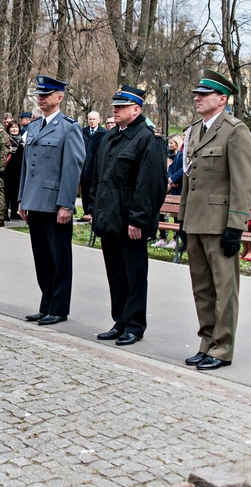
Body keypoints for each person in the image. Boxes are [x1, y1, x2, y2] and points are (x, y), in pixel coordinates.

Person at [179, 69, 251, 371]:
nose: (197, 98)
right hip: (196, 222)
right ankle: (206, 341)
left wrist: (236, 227)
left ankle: (222, 348)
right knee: (202, 287)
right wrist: (183, 222)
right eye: (197, 94)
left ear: (221, 99)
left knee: (224, 289)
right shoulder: (196, 129)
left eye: (204, 94)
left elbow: (243, 182)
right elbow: (189, 181)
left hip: (220, 223)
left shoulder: (235, 131)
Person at [90, 85, 167, 346]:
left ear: (136, 109)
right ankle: (119, 320)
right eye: (114, 105)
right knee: (116, 273)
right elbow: (98, 178)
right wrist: (93, 210)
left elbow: (151, 185)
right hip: (109, 218)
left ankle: (134, 324)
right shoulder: (111, 137)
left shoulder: (148, 138)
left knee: (134, 274)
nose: (115, 109)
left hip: (130, 221)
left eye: (121, 106)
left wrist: (139, 220)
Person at [19, 76, 84, 326]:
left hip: (55, 203)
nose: (41, 98)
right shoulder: (33, 128)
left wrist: (66, 204)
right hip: (34, 201)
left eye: (47, 94)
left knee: (59, 258)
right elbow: (27, 166)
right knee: (42, 258)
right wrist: (22, 198)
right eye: (39, 94)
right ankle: (46, 303)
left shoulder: (69, 127)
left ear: (60, 97)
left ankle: (58, 308)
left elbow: (72, 167)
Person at [152, 134, 184, 249]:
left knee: (178, 216)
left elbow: (184, 169)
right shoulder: (177, 154)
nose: (169, 145)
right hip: (172, 184)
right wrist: (170, 179)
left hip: (179, 186)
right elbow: (170, 169)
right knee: (168, 214)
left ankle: (176, 239)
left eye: (172, 143)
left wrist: (174, 179)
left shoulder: (183, 153)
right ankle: (164, 238)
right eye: (169, 143)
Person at [80, 111, 108, 221]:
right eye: (90, 119)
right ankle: (86, 212)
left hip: (96, 166)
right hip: (84, 166)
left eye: (94, 119)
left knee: (95, 190)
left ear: (98, 120)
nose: (92, 121)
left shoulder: (104, 133)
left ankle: (93, 212)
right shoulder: (83, 132)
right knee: (85, 190)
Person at [4, 121, 25, 221]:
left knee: (16, 191)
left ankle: (14, 212)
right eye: (12, 128)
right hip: (7, 168)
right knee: (6, 191)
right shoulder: (6, 139)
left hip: (19, 169)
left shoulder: (22, 140)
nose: (14, 129)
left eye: (16, 127)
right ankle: (4, 212)